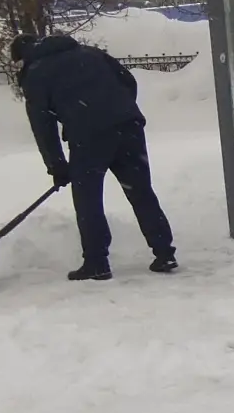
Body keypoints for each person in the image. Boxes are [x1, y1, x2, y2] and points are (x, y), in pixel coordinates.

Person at [12, 32, 177, 281]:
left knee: (88, 199)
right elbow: (128, 80)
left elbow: (43, 126)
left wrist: (57, 165)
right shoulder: (90, 53)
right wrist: (116, 110)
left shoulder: (35, 74)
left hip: (89, 136)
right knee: (141, 191)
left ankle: (97, 262)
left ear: (23, 57)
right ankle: (165, 252)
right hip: (128, 126)